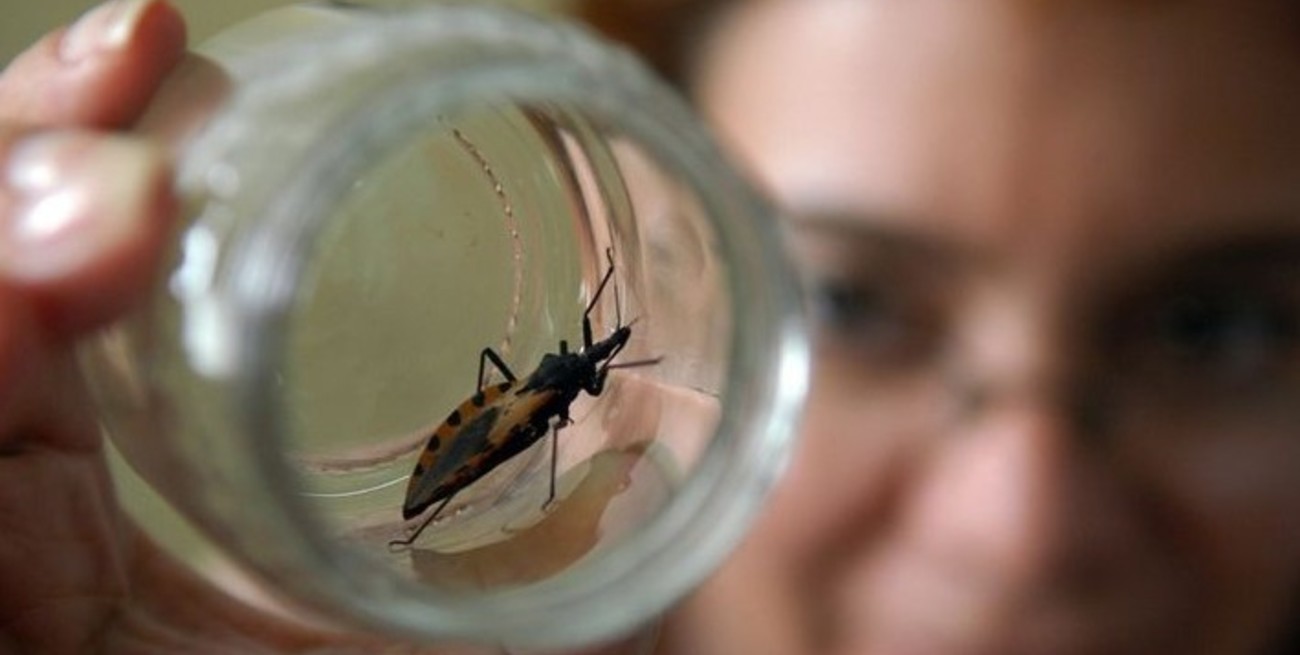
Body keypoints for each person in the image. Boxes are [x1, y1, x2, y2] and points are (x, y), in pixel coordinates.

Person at [1, 0, 1297, 654]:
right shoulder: (555, 403)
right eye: (842, 302)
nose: (1020, 531)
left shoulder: (555, 393)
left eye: (1218, 330)